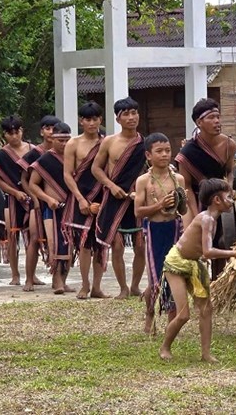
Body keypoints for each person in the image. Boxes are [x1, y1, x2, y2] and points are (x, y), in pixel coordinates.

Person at [158, 178, 236, 362]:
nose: (232, 199)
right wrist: (235, 253)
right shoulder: (207, 219)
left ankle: (206, 353)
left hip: (194, 263)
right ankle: (164, 347)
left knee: (206, 309)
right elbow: (208, 252)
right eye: (228, 196)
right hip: (176, 264)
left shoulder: (212, 219)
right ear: (217, 200)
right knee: (183, 314)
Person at [175, 98, 236, 280]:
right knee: (199, 246)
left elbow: (229, 172)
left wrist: (229, 190)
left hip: (222, 199)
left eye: (218, 117)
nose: (217, 121)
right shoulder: (187, 152)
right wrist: (196, 215)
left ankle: (220, 282)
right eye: (211, 117)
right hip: (199, 198)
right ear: (199, 122)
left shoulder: (228, 145)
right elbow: (186, 186)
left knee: (224, 241)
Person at [93, 98, 147, 299]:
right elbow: (96, 168)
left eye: (134, 112)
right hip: (114, 198)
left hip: (138, 199)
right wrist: (112, 186)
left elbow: (150, 170)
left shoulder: (144, 143)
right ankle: (123, 287)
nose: (131, 117)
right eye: (126, 114)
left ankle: (135, 286)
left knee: (140, 244)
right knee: (117, 244)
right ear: (118, 118)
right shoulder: (109, 142)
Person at [134, 132, 187, 333]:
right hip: (154, 231)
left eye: (167, 151)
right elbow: (138, 211)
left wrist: (181, 202)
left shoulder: (178, 179)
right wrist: (160, 206)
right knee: (155, 278)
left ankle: (171, 324)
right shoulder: (143, 181)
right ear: (149, 155)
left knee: (174, 273)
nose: (164, 155)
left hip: (174, 229)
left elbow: (183, 210)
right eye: (159, 151)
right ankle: (150, 314)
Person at [63, 101, 106, 299]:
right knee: (83, 244)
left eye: (95, 119)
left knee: (100, 243)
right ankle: (85, 284)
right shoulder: (73, 143)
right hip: (80, 195)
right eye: (87, 119)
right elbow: (67, 175)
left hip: (101, 195)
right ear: (81, 121)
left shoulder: (106, 142)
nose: (91, 123)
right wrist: (80, 199)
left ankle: (97, 286)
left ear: (100, 120)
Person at [0, 115, 35, 288]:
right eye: (10, 133)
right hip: (13, 199)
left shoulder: (33, 150)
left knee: (33, 237)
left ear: (22, 131)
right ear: (5, 134)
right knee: (13, 236)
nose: (14, 136)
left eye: (17, 132)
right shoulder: (1, 155)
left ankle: (32, 274)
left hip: (33, 197)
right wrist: (14, 192)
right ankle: (15, 274)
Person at [28, 122, 74, 294]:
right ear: (52, 139)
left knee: (69, 244)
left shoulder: (73, 158)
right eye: (60, 140)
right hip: (52, 208)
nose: (63, 144)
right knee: (55, 244)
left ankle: (65, 279)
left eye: (66, 140)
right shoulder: (45, 159)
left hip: (70, 207)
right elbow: (33, 184)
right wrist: (47, 199)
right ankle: (57, 280)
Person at [18, 115, 60, 287]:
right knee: (34, 238)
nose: (51, 132)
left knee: (59, 240)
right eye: (47, 128)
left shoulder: (63, 153)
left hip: (56, 202)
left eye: (54, 129)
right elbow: (24, 179)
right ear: (42, 131)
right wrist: (34, 198)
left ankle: (58, 279)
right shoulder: (34, 153)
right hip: (38, 202)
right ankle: (29, 278)